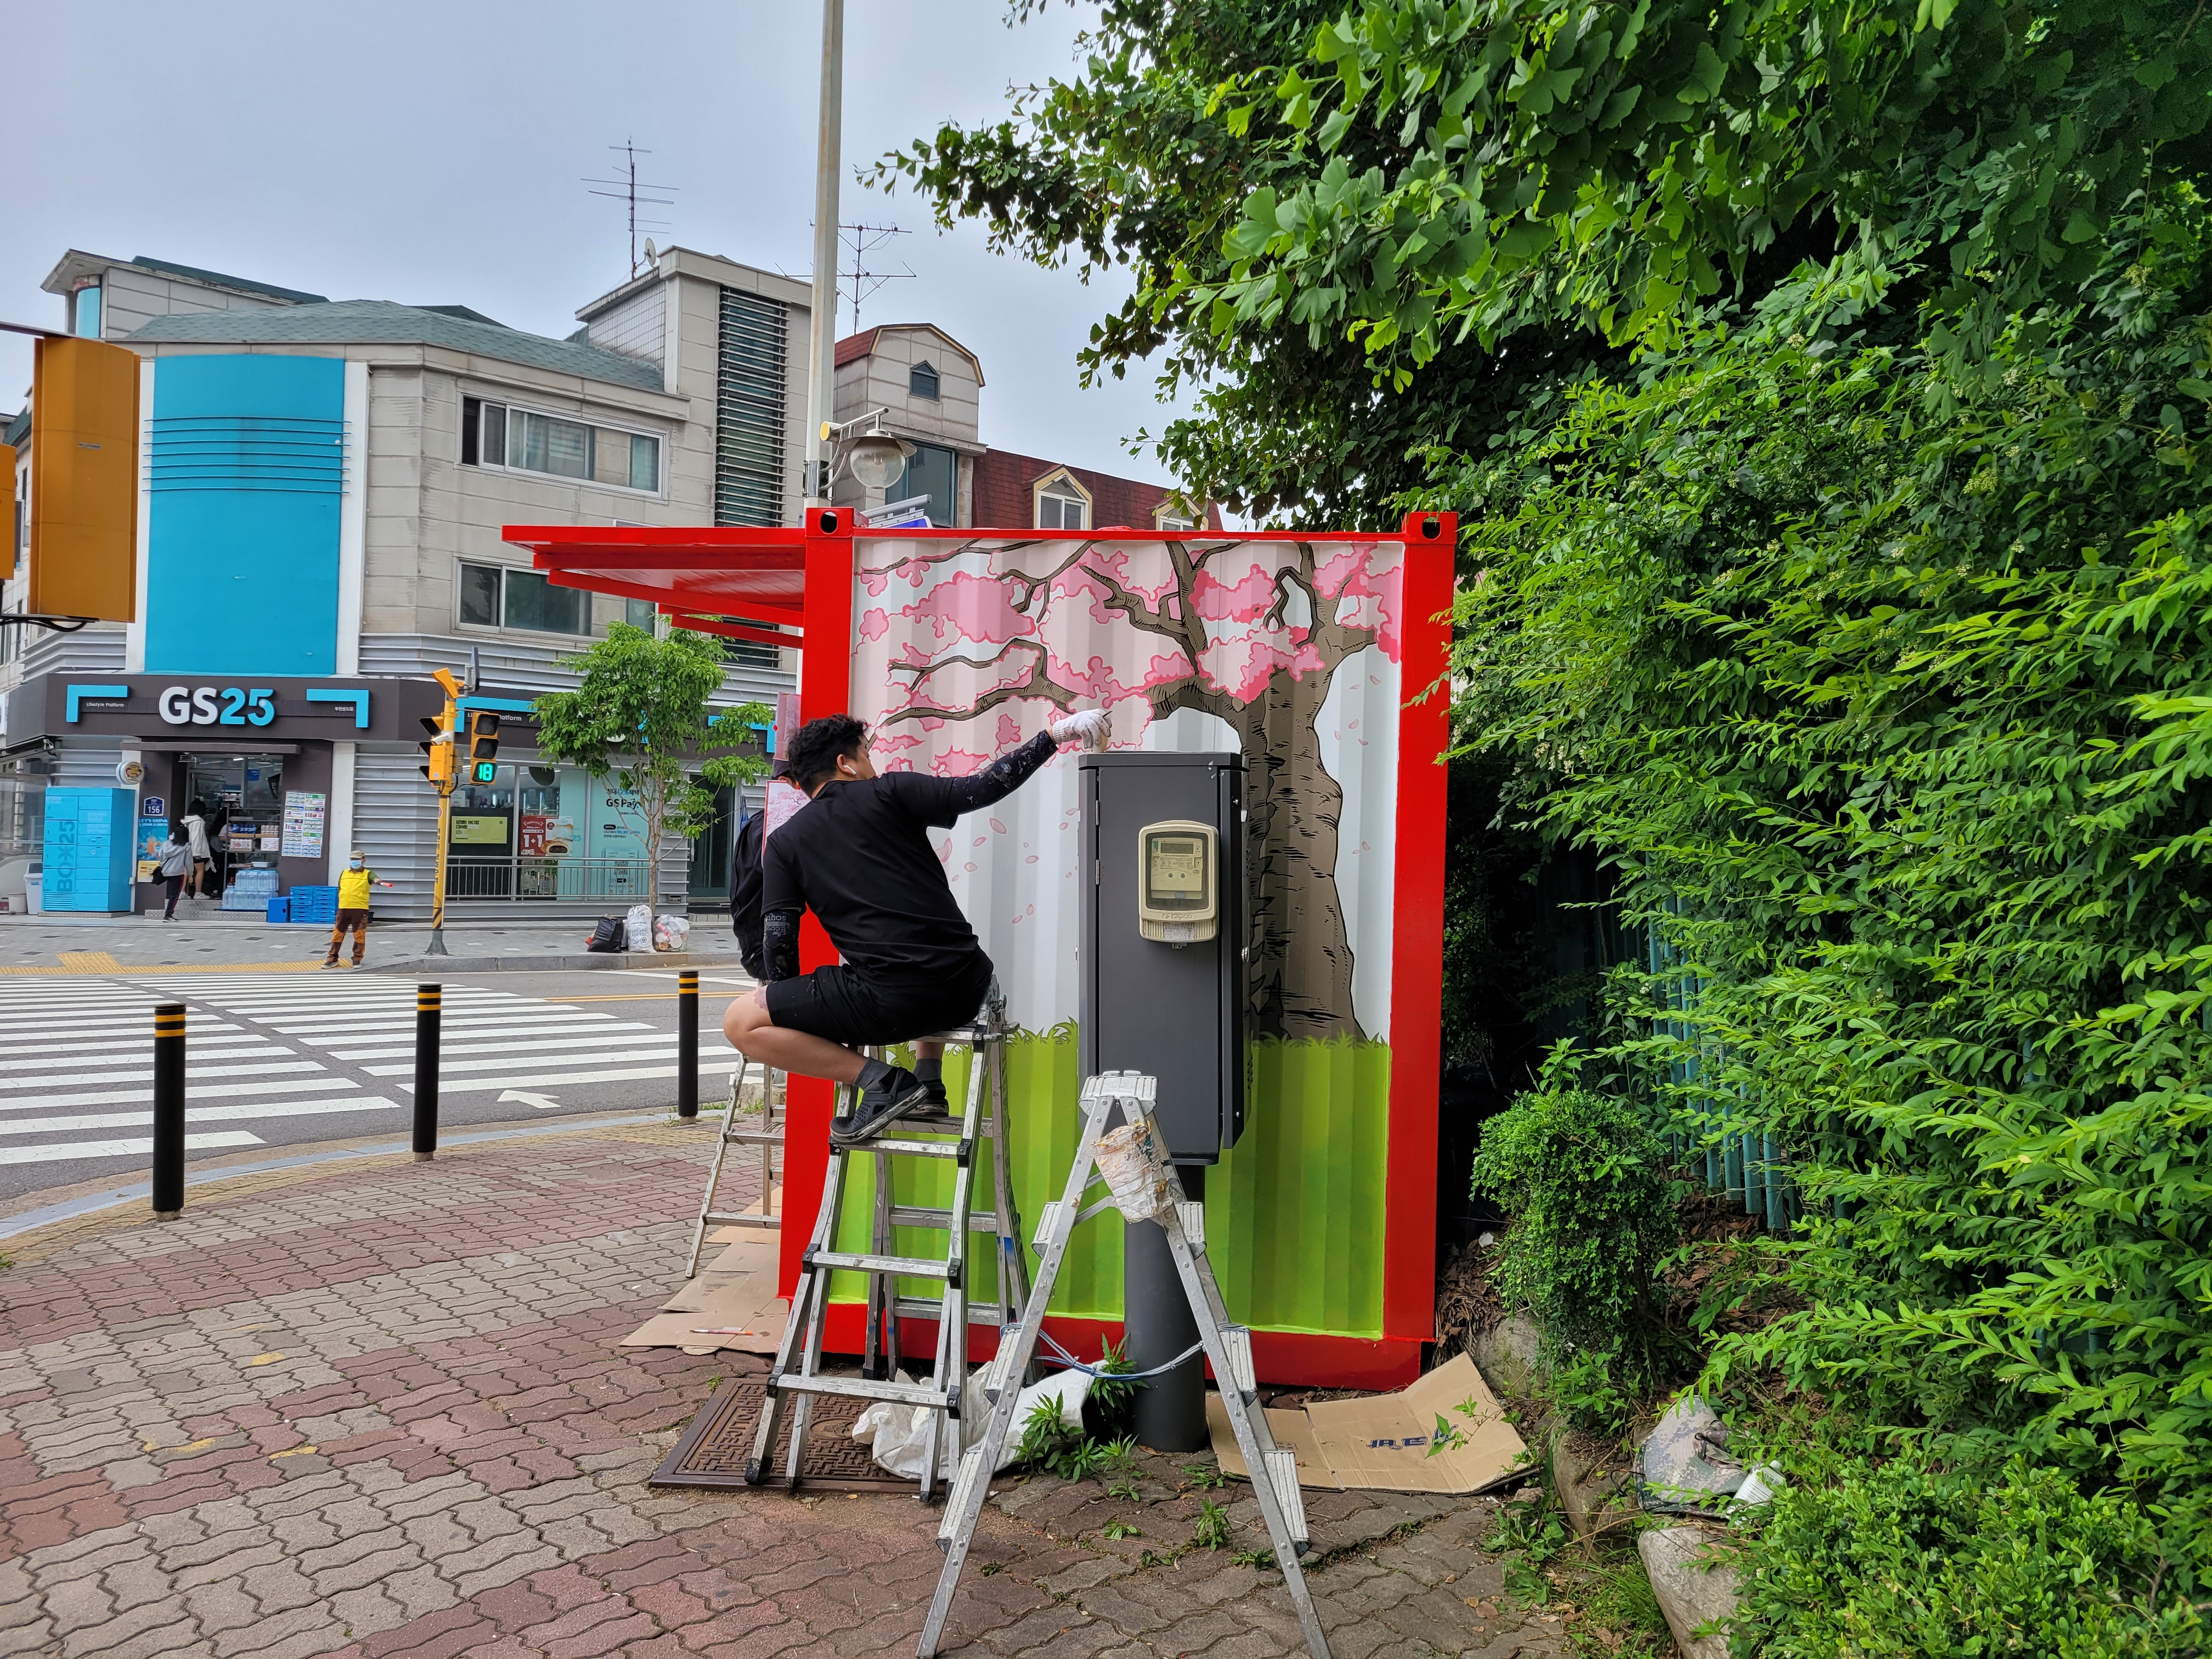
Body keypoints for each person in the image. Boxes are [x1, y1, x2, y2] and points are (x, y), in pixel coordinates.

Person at [724, 706, 1109, 1146]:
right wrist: (1052, 736)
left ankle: (883, 1082)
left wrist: (791, 1007)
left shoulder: (785, 843)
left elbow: (779, 943)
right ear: (844, 763)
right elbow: (982, 788)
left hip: (891, 1004)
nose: (873, 765)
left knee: (741, 1021)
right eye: (866, 755)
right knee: (914, 953)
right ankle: (930, 1083)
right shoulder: (891, 792)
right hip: (967, 985)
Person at [326, 851, 374, 968]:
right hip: (344, 908)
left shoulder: (368, 874)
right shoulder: (344, 873)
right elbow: (340, 888)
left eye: (357, 859)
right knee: (337, 933)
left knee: (359, 934)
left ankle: (357, 958)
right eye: (352, 859)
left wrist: (378, 881)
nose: (354, 862)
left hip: (360, 909)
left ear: (363, 860)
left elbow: (375, 878)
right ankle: (332, 959)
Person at [155, 826, 194, 921]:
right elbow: (188, 862)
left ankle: (168, 915)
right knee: (175, 895)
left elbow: (159, 856)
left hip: (166, 872)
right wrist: (190, 874)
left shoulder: (166, 844)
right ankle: (168, 915)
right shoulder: (186, 847)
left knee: (171, 895)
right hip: (177, 873)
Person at [180, 800, 212, 898]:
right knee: (200, 870)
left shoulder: (185, 821)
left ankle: (182, 893)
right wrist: (197, 853)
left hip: (184, 849)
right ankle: (198, 893)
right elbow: (196, 837)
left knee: (185, 870)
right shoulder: (198, 822)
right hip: (194, 851)